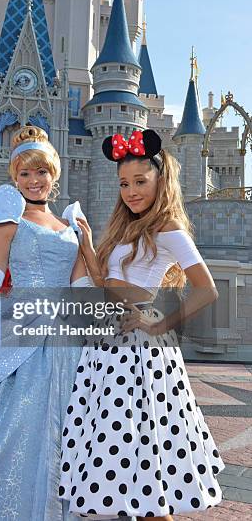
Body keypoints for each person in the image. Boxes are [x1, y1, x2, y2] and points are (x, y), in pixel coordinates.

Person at [0, 126, 129, 521]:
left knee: (68, 429)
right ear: (15, 177)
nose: (34, 181)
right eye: (25, 174)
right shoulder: (6, 217)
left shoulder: (72, 225)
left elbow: (81, 286)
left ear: (54, 174)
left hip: (65, 334)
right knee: (3, 433)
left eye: (41, 172)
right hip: (15, 329)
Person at [59, 129, 224, 520]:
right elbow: (103, 286)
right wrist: (85, 243)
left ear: (160, 180)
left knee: (148, 475)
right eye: (123, 184)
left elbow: (207, 290)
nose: (130, 191)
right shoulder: (123, 228)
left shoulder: (169, 229)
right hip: (107, 352)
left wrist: (159, 323)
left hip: (140, 357)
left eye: (140, 182)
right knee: (115, 468)